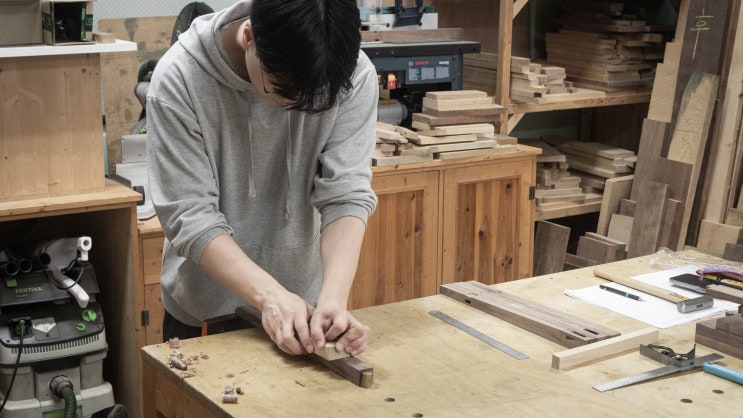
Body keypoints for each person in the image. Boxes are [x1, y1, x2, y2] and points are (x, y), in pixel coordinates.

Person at [146, 0, 378, 358]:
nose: (299, 105)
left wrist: (332, 300)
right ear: (249, 36)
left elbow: (346, 193)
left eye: (315, 99)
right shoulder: (179, 79)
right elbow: (190, 217)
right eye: (284, 91)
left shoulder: (349, 73)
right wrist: (270, 297)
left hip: (302, 311)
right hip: (206, 314)